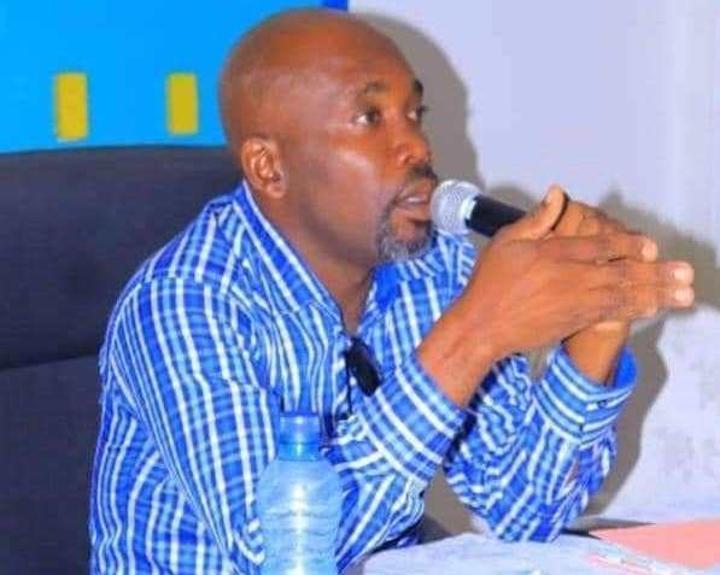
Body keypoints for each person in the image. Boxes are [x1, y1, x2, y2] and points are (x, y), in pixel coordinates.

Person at [89, 8, 695, 574]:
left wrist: (598, 324)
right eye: (370, 119)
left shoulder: (434, 267)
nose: (418, 147)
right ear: (270, 168)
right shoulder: (184, 302)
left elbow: (523, 510)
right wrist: (473, 334)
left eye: (415, 114)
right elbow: (276, 555)